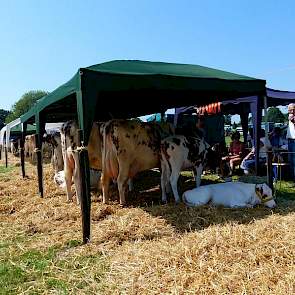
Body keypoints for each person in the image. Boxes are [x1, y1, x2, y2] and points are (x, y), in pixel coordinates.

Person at [287, 103, 295, 179]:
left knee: (294, 160)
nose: (289, 110)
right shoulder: (290, 116)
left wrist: (293, 120)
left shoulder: (292, 117)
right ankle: (292, 178)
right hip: (290, 140)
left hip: (294, 141)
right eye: (289, 109)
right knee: (291, 161)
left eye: (291, 108)